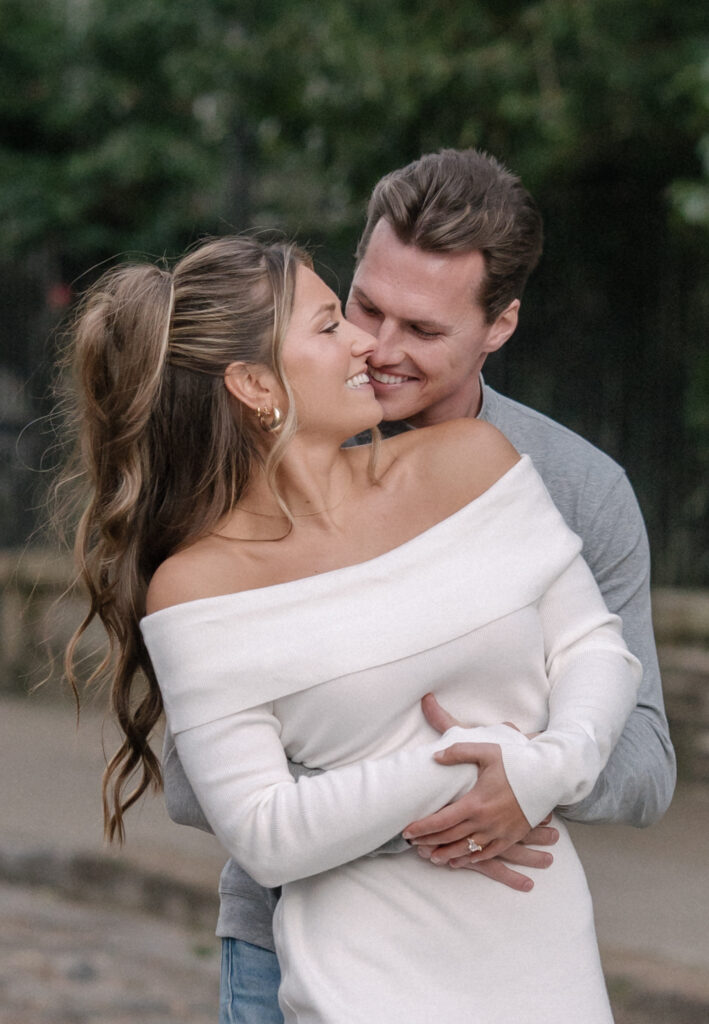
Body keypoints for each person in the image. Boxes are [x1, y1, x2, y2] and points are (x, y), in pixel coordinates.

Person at [63, 232, 643, 1022]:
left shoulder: (473, 461)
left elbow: (592, 647)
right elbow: (263, 830)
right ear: (253, 382)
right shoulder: (197, 584)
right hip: (360, 979)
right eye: (331, 323)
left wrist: (550, 769)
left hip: (543, 951)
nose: (368, 343)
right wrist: (475, 765)